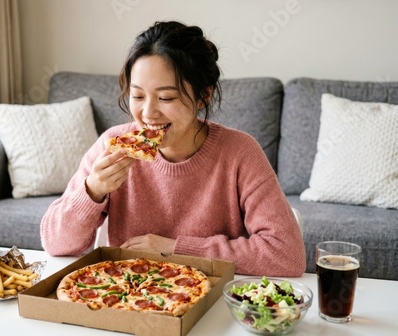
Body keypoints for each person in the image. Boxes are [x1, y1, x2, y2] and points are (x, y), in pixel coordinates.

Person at [40, 21, 306, 276]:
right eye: (138, 96)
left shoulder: (240, 152)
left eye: (166, 97)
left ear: (204, 95)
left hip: (208, 301)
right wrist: (92, 191)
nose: (147, 113)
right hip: (129, 296)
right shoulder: (114, 145)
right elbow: (55, 244)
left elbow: (287, 255)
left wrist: (174, 248)